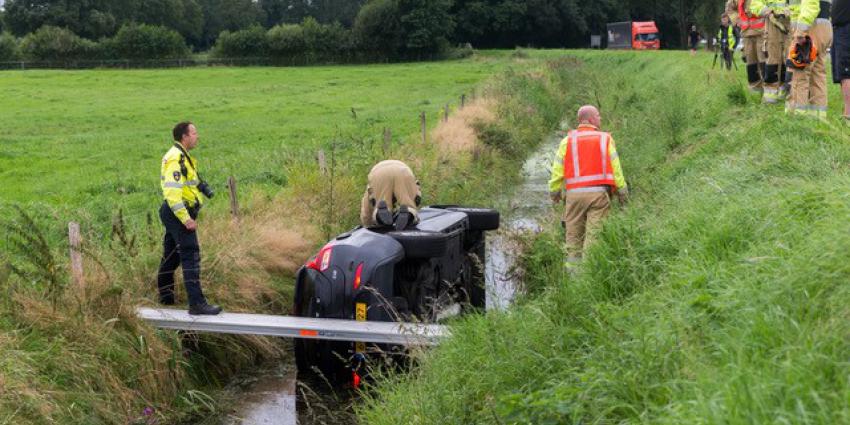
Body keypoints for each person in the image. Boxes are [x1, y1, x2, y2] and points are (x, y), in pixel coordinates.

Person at [549, 106, 628, 266]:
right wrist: (622, 192)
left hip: (573, 198)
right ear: (591, 119)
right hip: (598, 197)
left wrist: (554, 192)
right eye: (598, 115)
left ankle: (574, 276)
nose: (600, 118)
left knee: (573, 240)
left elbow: (557, 169)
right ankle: (589, 273)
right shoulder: (605, 139)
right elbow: (616, 168)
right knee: (594, 237)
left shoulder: (567, 141)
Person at [157, 122, 221, 315]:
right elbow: (172, 194)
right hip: (178, 212)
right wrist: (186, 218)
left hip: (175, 212)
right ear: (184, 137)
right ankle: (197, 304)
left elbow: (191, 183)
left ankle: (166, 298)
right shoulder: (175, 158)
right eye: (194, 133)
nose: (197, 136)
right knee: (190, 254)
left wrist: (202, 189)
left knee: (172, 255)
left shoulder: (183, 156)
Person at [786, 0, 833, 119]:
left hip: (811, 27)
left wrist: (800, 32)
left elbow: (810, 4)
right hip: (823, 26)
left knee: (800, 73)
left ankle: (797, 116)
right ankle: (818, 115)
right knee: (818, 73)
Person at [751, 0, 795, 103]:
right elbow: (755, 4)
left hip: (790, 25)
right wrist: (767, 11)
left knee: (789, 59)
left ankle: (787, 91)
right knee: (772, 60)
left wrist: (789, 11)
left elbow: (801, 5)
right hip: (772, 25)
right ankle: (770, 96)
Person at [360, 160, 422, 230]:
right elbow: (417, 195)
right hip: (403, 170)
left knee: (380, 202)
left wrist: (368, 223)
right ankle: (409, 213)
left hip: (379, 173)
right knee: (408, 203)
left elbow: (366, 209)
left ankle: (379, 216)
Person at [728, 0, 768, 93]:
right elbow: (729, 7)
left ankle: (768, 87)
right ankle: (755, 89)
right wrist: (736, 20)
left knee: (764, 60)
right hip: (746, 33)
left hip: (762, 33)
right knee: (751, 62)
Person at [834, 0, 850, 121]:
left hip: (846, 27)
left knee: (846, 71)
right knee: (842, 71)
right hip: (839, 28)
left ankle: (848, 114)